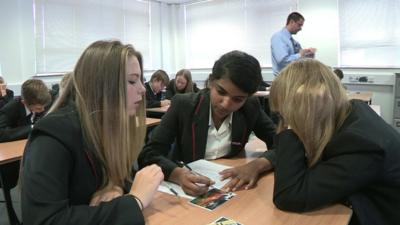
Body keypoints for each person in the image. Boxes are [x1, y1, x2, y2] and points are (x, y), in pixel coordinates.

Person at [21, 40, 164, 224]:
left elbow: (117, 181)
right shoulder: (52, 137)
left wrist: (116, 188)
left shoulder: (108, 126)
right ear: (102, 86)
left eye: (141, 80)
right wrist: (134, 201)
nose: (143, 89)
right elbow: (44, 220)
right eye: (131, 81)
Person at [269, 59, 400, 225]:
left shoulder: (362, 143)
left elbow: (289, 197)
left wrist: (290, 127)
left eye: (287, 114)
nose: (285, 120)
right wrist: (263, 162)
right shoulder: (351, 111)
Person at [138, 50, 276, 196]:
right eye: (221, 92)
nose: (225, 104)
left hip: (228, 187)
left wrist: (257, 165)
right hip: (186, 192)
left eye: (237, 99)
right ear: (211, 82)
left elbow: (283, 144)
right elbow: (148, 154)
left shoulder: (250, 107)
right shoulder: (183, 105)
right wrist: (177, 175)